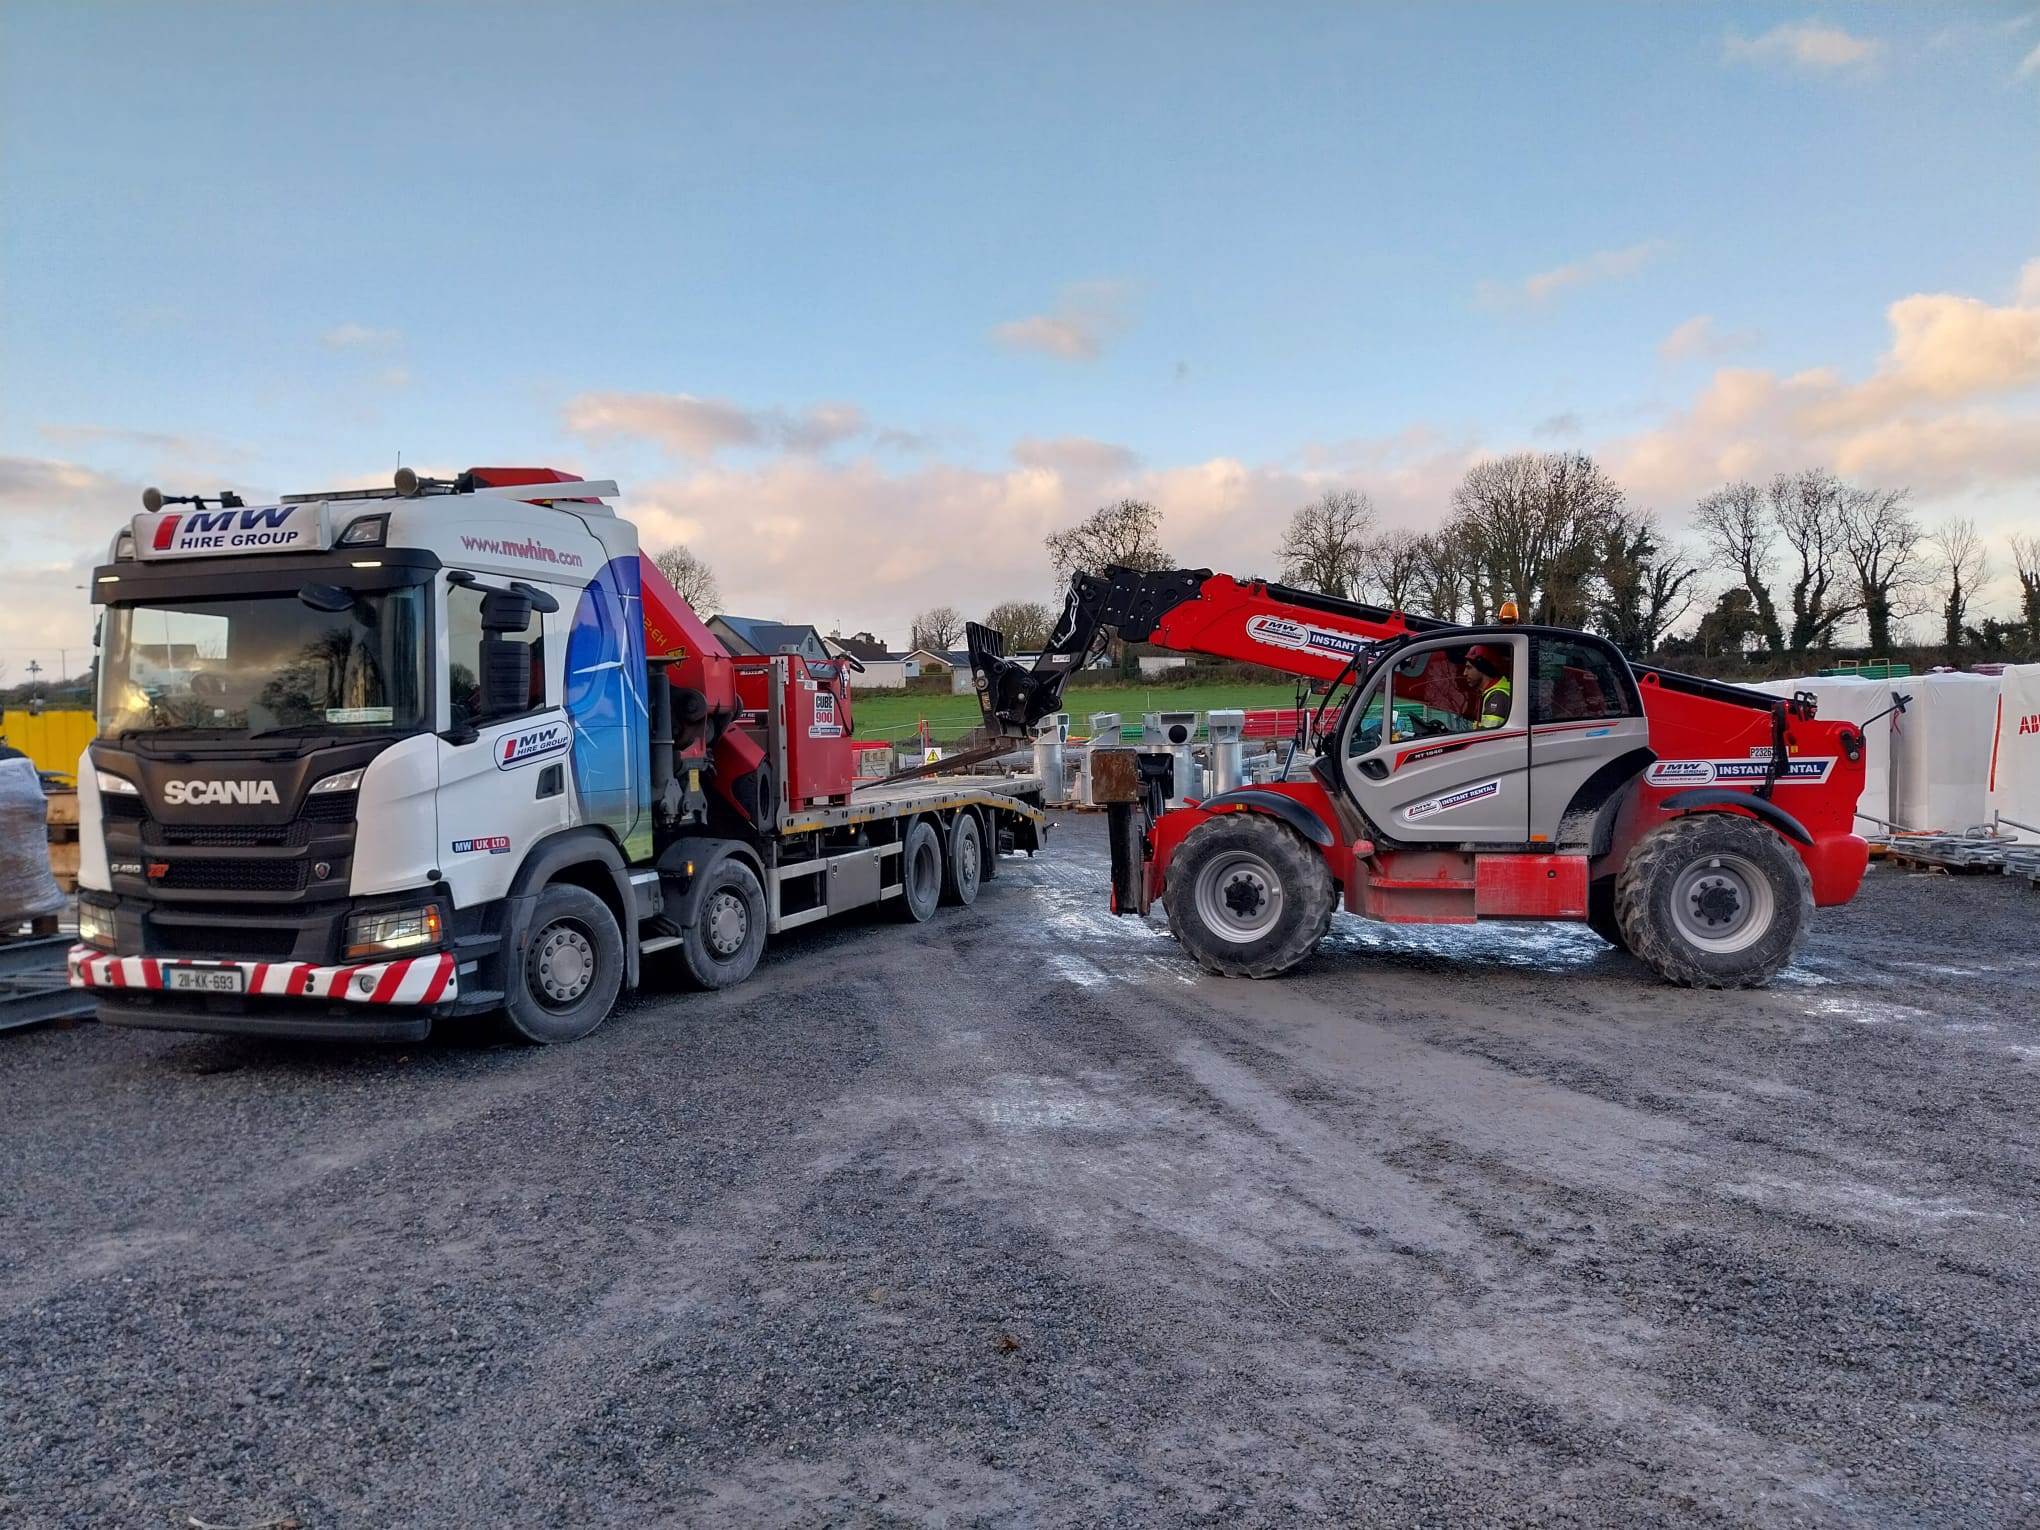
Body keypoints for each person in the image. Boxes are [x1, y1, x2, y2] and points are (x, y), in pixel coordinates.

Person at [1461, 645, 1512, 729]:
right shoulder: (1488, 693)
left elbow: (1490, 734)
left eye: (1469, 668)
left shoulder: (1497, 696)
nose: (1465, 673)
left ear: (1482, 668)